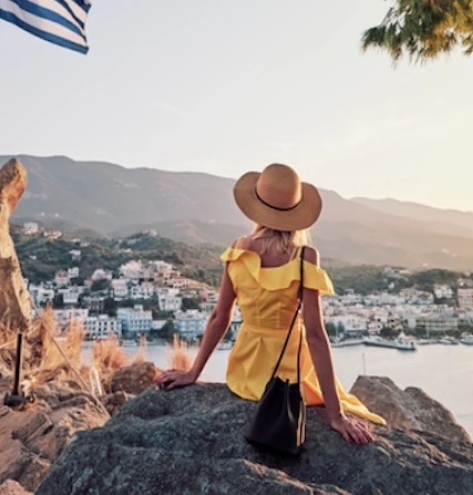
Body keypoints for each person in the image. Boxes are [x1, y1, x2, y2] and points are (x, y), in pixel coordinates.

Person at [154, 163, 383, 444]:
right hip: (293, 376)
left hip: (246, 372)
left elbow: (219, 317)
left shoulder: (237, 249)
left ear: (257, 206)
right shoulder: (305, 257)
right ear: (296, 212)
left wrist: (193, 372)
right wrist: (335, 415)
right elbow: (314, 334)